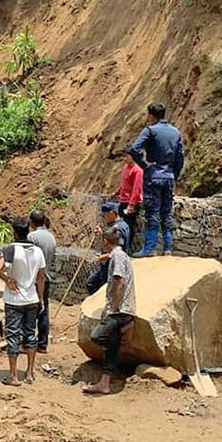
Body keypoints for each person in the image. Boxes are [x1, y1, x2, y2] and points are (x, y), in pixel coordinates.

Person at [82, 226, 136, 395]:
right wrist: (104, 257)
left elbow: (119, 281)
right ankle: (105, 382)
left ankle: (123, 336)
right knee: (110, 345)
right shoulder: (120, 254)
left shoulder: (118, 258)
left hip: (120, 310)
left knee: (97, 336)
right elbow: (114, 255)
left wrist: (113, 306)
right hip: (122, 308)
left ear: (106, 242)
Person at [0, 218, 45, 386]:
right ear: (28, 230)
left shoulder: (11, 249)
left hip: (14, 300)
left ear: (14, 232)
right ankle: (30, 373)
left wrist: (8, 280)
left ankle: (14, 376)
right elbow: (41, 277)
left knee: (13, 335)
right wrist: (41, 298)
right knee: (31, 334)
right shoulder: (38, 251)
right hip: (31, 298)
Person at [128, 103, 184, 257]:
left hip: (153, 176)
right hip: (169, 176)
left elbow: (134, 149)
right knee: (166, 213)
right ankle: (167, 248)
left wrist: (145, 165)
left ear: (151, 115)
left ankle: (149, 249)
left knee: (152, 212)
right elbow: (180, 156)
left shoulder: (150, 130)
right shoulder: (175, 132)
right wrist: (175, 174)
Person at [85, 203, 131, 296]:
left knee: (103, 289)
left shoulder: (118, 228)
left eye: (104, 215)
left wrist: (101, 257)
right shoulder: (120, 225)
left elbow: (118, 250)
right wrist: (102, 234)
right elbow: (113, 242)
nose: (103, 217)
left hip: (111, 265)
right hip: (107, 265)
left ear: (111, 213)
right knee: (91, 283)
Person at [27, 210, 56, 354]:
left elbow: (29, 259)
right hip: (47, 278)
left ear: (31, 222)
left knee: (31, 312)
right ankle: (42, 344)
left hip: (34, 279)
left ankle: (29, 343)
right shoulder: (51, 237)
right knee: (44, 311)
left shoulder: (32, 237)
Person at [113, 153, 143, 253]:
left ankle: (127, 248)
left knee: (128, 226)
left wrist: (132, 204)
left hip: (130, 203)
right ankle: (120, 246)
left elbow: (136, 188)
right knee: (121, 225)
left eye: (126, 156)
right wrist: (117, 192)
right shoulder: (126, 168)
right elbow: (124, 184)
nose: (124, 159)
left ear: (133, 157)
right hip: (123, 201)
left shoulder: (137, 171)